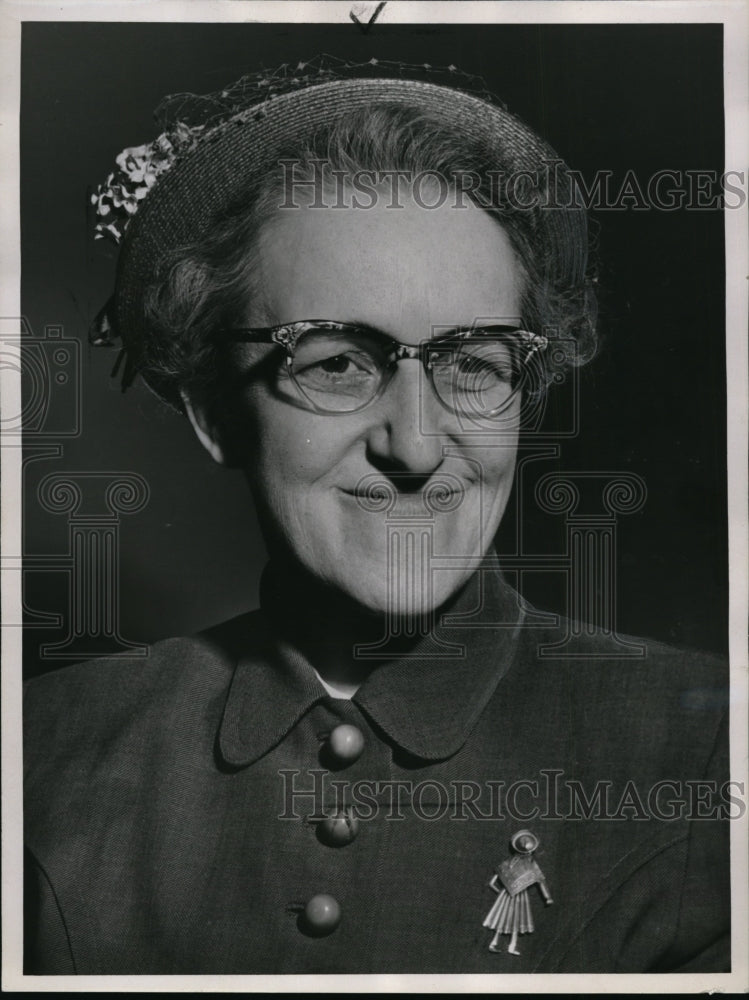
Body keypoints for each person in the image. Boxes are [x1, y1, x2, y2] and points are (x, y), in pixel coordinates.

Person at [23, 57, 730, 975]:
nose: (415, 444)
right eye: (335, 364)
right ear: (212, 413)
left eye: (472, 362)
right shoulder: (41, 751)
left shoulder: (709, 755)